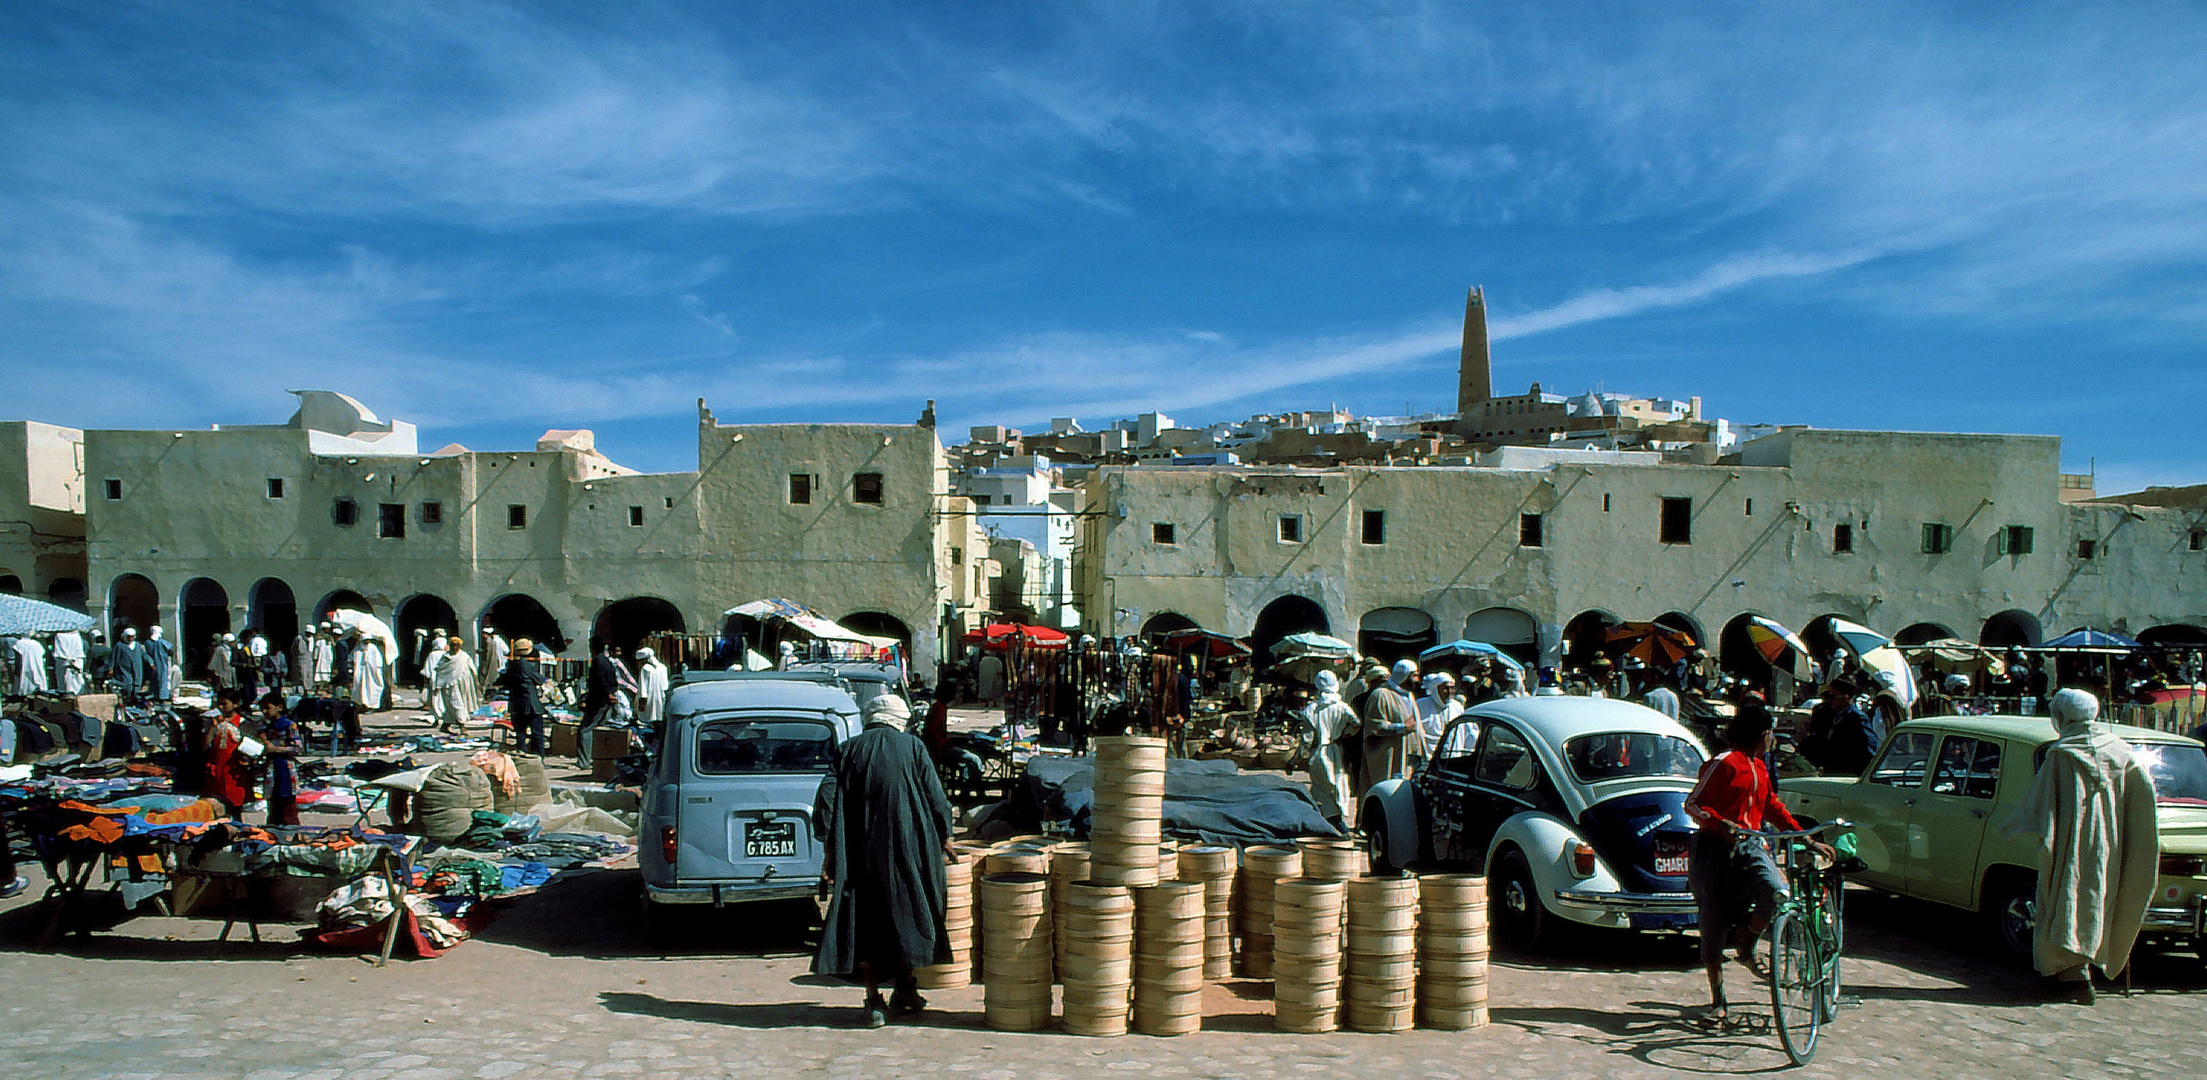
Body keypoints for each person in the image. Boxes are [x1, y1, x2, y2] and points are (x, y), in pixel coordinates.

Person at [1995, 689, 2160, 1003]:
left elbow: (2038, 803)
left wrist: (2010, 827)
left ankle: (2073, 977)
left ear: (2062, 717)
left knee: (2064, 900)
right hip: (2109, 847)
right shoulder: (2122, 752)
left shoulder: (2061, 755)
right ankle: (2076, 973)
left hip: (2070, 845)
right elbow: (2144, 801)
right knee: (2097, 901)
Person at [813, 694, 955, 1028]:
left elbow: (827, 798)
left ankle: (875, 1000)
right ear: (898, 719)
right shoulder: (913, 747)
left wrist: (830, 850)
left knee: (865, 922)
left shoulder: (848, 750)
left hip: (860, 854)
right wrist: (945, 834)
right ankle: (906, 985)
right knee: (908, 914)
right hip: (910, 851)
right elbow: (936, 796)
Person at [1686, 707, 1830, 1027]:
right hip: (1715, 849)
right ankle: (1718, 1000)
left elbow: (1772, 808)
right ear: (1761, 733)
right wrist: (1722, 824)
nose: (1772, 738)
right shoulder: (1724, 764)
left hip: (1751, 845)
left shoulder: (1761, 768)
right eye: (1770, 732)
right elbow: (1693, 803)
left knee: (1777, 890)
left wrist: (1806, 839)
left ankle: (1748, 939)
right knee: (1713, 920)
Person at [1357, 661, 1421, 799]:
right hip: (1387, 759)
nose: (1417, 680)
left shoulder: (1409, 696)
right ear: (1404, 676)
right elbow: (1374, 726)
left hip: (1406, 757)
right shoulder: (1381, 695)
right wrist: (1401, 728)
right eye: (1414, 676)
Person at [1303, 670, 1358, 826]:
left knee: (1321, 791)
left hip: (1319, 754)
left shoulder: (1311, 709)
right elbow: (1356, 723)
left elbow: (1306, 740)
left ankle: (1333, 826)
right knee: (1338, 786)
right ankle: (1336, 822)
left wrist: (1294, 760)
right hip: (1337, 751)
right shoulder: (1343, 707)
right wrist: (1343, 735)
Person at [201, 689, 257, 816]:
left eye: (224, 704)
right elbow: (204, 746)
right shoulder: (212, 722)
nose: (220, 707)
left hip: (234, 772)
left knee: (235, 809)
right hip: (215, 772)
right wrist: (212, 728)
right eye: (218, 704)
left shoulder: (243, 724)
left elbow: (252, 749)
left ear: (235, 704)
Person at [255, 691, 302, 826]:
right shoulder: (263, 726)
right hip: (271, 767)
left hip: (285, 767)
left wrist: (276, 749)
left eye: (268, 708)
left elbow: (298, 748)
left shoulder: (289, 725)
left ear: (279, 707)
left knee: (287, 802)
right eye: (262, 708)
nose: (265, 711)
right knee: (272, 801)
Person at [502, 638, 548, 755]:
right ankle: (539, 757)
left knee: (520, 733)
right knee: (537, 733)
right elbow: (539, 680)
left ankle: (522, 756)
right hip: (531, 703)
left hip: (516, 704)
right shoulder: (527, 665)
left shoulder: (511, 665)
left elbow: (504, 681)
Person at [432, 635, 482, 735]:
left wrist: (477, 683)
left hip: (462, 686)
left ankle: (445, 725)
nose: (454, 647)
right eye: (453, 645)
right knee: (456, 705)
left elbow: (473, 670)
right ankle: (462, 727)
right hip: (448, 686)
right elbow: (440, 671)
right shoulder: (445, 658)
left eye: (456, 645)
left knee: (455, 706)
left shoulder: (464, 657)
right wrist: (437, 686)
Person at [1415, 671, 1463, 751]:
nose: (1449, 692)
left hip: (1453, 754)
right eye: (1445, 688)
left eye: (1452, 688)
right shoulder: (1421, 705)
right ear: (1436, 689)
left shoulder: (1457, 707)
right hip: (1428, 755)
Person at [349, 631, 386, 712]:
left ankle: (372, 706)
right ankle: (362, 705)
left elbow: (378, 662)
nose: (367, 642)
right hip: (360, 673)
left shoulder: (373, 649)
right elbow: (351, 658)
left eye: (368, 640)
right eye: (365, 640)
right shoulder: (357, 649)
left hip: (371, 674)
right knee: (359, 689)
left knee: (372, 689)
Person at [635, 646, 670, 733]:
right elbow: (666, 686)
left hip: (649, 701)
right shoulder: (663, 667)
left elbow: (643, 688)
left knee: (646, 721)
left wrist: (642, 704)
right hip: (661, 699)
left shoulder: (645, 669)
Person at [111, 627, 148, 700]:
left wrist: (151, 663)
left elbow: (144, 655)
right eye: (129, 637)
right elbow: (113, 657)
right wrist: (110, 668)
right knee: (127, 684)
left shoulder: (137, 645)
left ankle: (136, 699)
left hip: (137, 668)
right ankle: (127, 698)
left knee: (137, 684)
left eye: (132, 637)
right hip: (124, 669)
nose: (130, 639)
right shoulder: (119, 645)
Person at [145, 624, 175, 702]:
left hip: (153, 666)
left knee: (155, 680)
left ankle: (155, 695)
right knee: (163, 680)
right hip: (162, 664)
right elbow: (171, 651)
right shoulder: (162, 642)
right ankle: (162, 696)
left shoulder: (147, 643)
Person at [51, 629, 86, 695]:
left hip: (65, 662)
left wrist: (67, 660)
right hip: (76, 661)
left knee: (66, 682)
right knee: (75, 681)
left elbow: (60, 653)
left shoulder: (59, 636)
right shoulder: (77, 636)